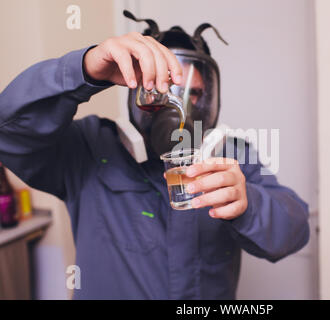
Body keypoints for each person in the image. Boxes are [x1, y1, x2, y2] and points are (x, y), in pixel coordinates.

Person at [0, 12, 310, 299]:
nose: (180, 108)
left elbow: (294, 231)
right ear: (139, 93)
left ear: (210, 98)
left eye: (194, 93)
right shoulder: (88, 147)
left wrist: (247, 203)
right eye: (166, 90)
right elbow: (8, 133)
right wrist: (84, 69)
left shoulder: (232, 157)